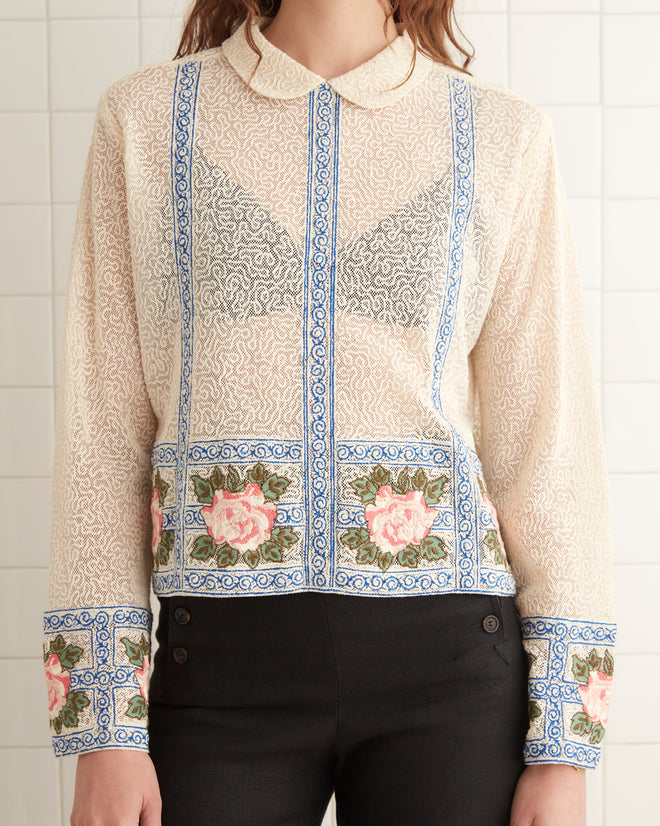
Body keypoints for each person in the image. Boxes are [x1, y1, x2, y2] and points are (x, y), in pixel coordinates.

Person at [42, 1, 617, 824]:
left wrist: (565, 750)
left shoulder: (502, 136)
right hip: (218, 673)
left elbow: (548, 444)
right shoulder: (144, 120)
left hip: (452, 668)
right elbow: (101, 434)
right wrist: (103, 730)